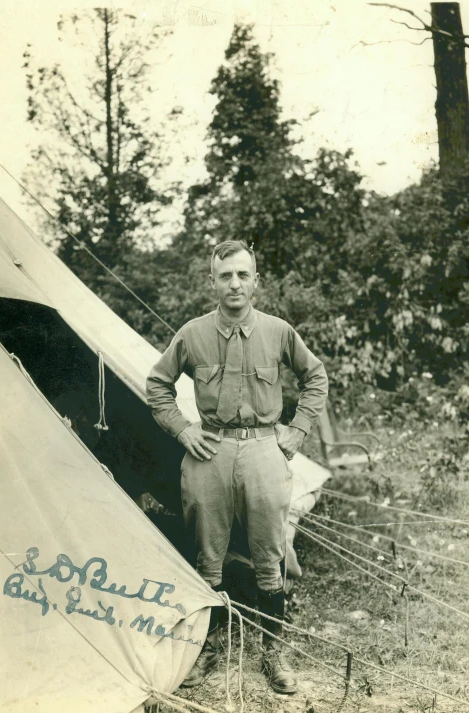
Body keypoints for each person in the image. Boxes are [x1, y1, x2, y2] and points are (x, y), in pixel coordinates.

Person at [146, 240, 328, 694]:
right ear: (213, 282)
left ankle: (273, 653)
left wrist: (297, 430)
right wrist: (183, 430)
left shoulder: (279, 331)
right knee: (206, 558)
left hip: (266, 450)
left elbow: (316, 376)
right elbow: (157, 384)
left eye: (243, 275)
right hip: (210, 452)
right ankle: (201, 651)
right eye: (225, 276)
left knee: (269, 555)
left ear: (255, 282)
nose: (235, 284)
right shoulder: (192, 333)